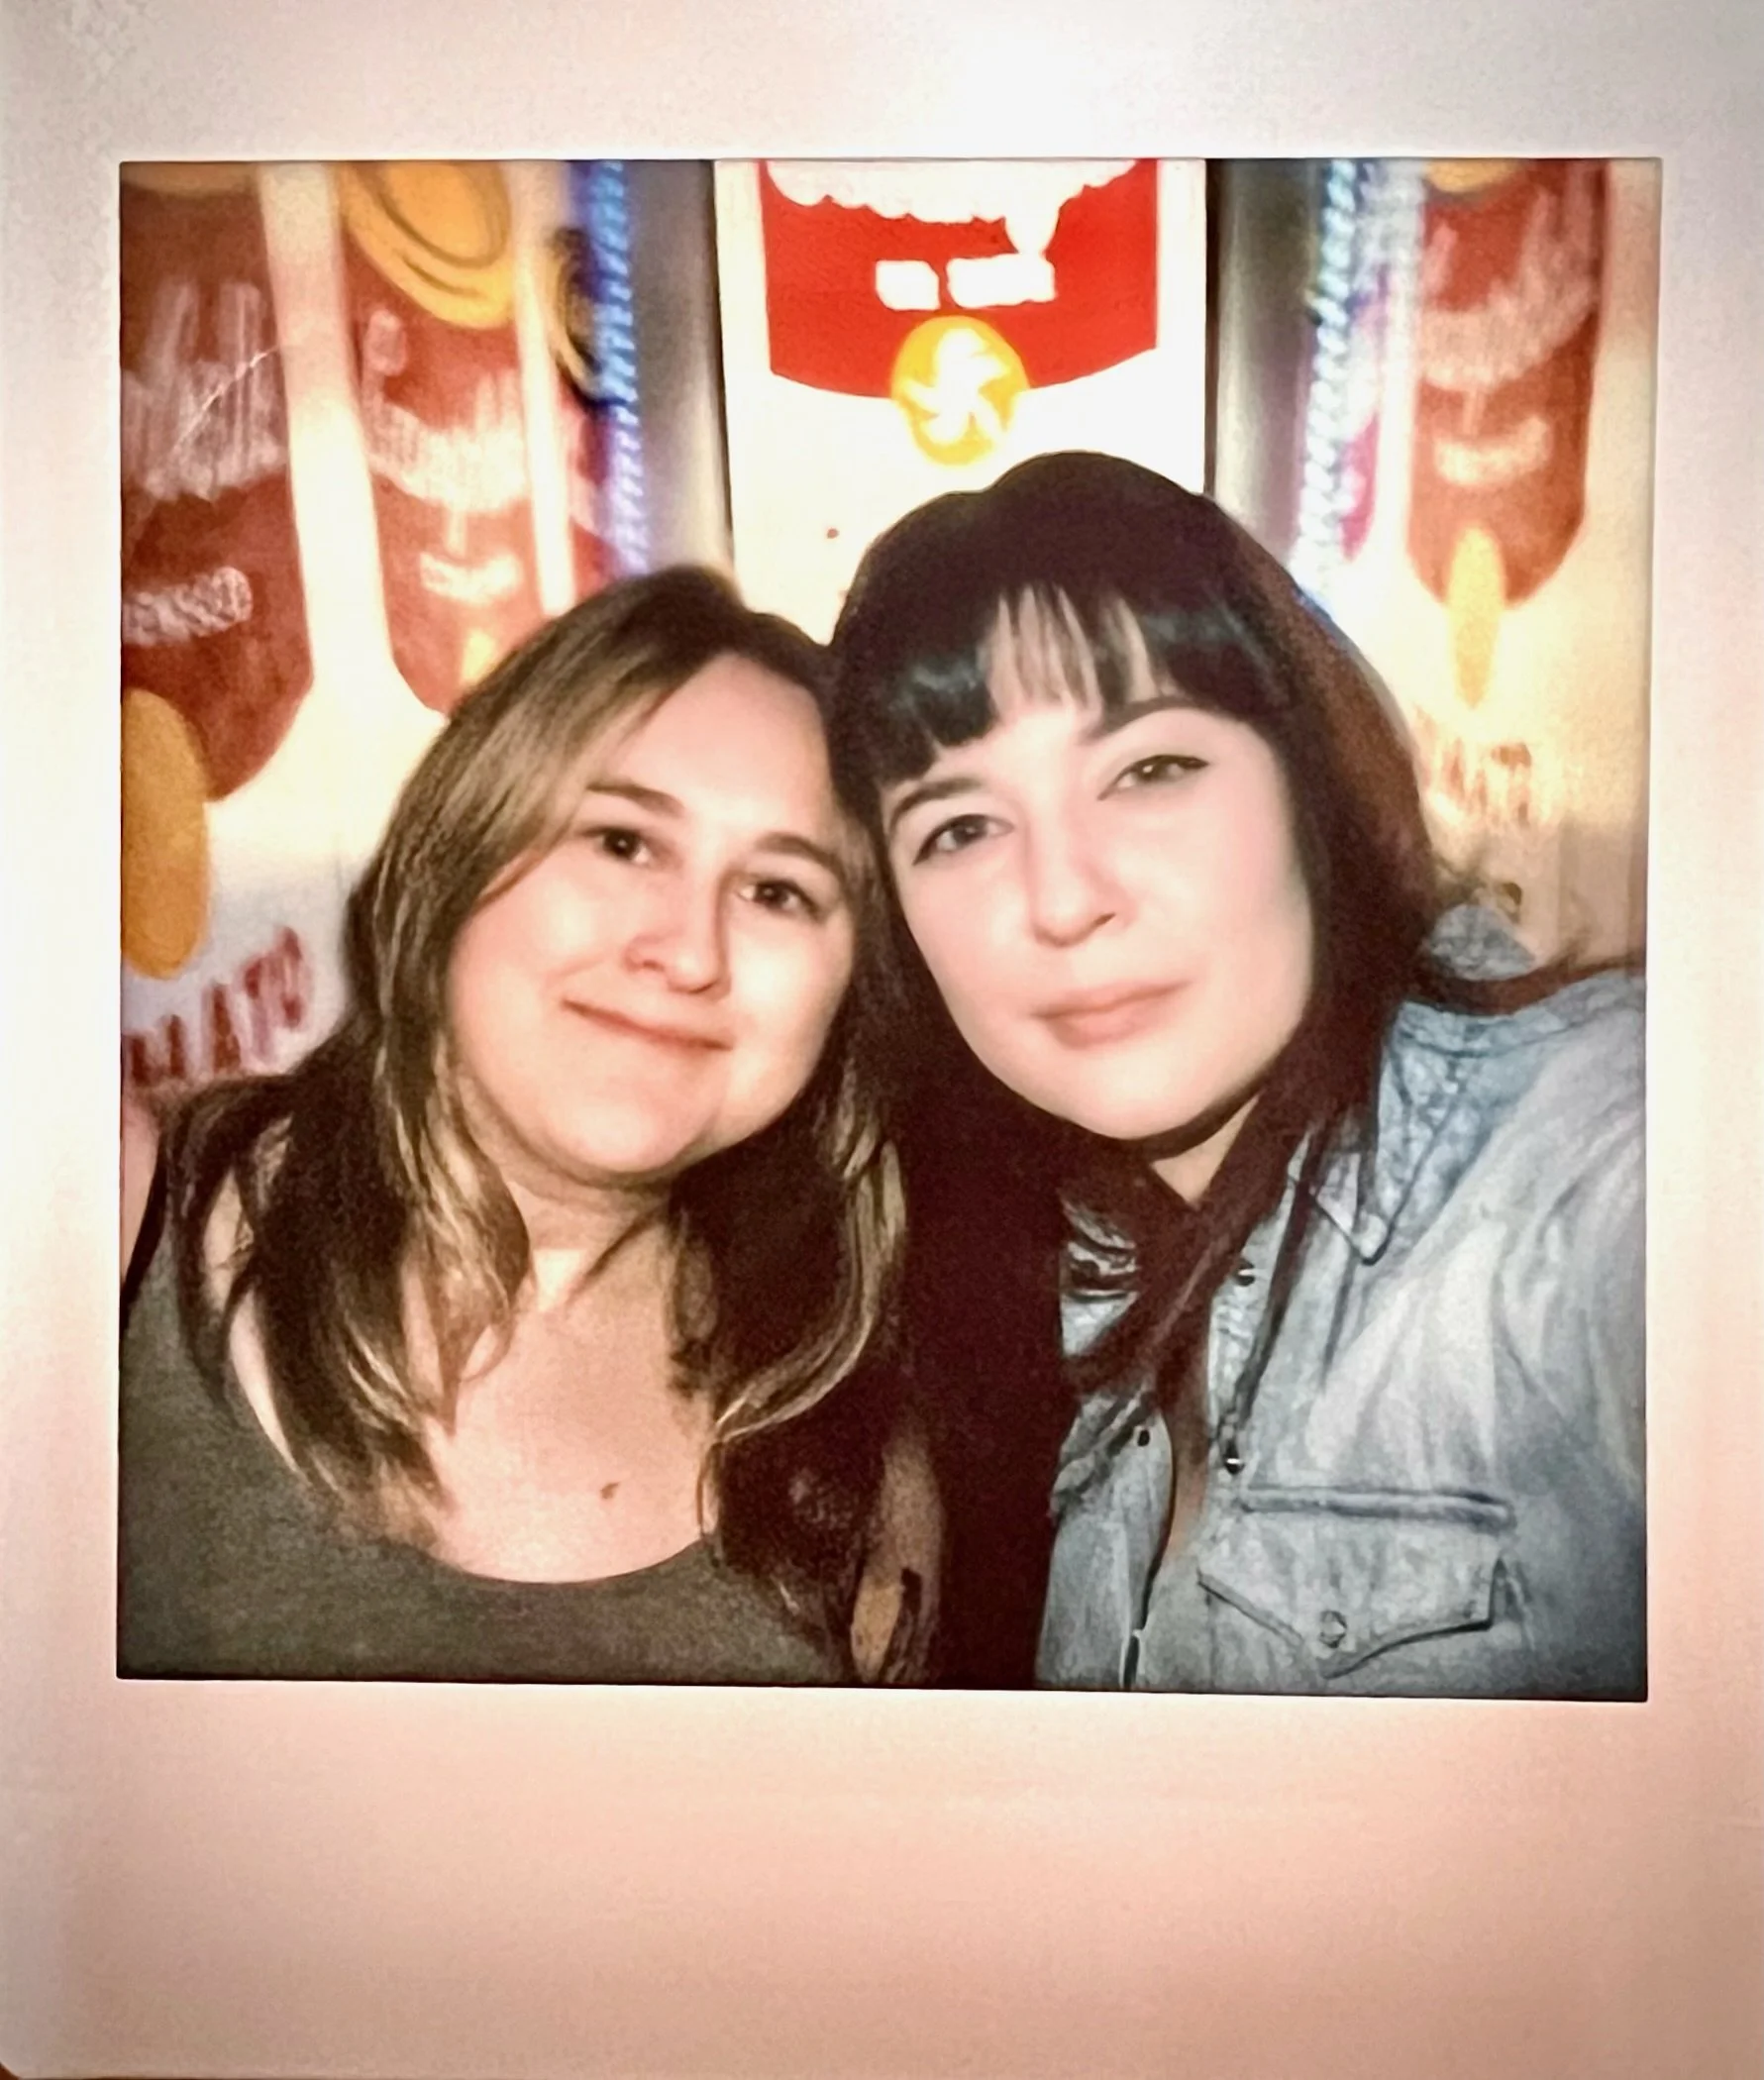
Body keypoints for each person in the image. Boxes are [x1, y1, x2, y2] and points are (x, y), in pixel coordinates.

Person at [826, 450, 1645, 1700]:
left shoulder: (1600, 1172)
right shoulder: (1071, 1259)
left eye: (1148, 770)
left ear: (1307, 780)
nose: (1061, 898)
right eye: (961, 826)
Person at [119, 567, 941, 1684]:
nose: (687, 952)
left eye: (777, 892)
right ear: (457, 858)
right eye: (622, 842)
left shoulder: (844, 1440)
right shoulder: (113, 1231)